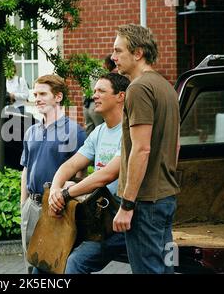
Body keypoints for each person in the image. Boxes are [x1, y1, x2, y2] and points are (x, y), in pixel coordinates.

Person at [111, 24, 180, 274]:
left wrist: (127, 206)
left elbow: (141, 149)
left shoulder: (138, 88)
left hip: (145, 203)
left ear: (138, 53)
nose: (113, 57)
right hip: (165, 198)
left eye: (118, 51)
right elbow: (176, 145)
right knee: (167, 268)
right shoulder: (166, 87)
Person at [49, 73, 130, 274]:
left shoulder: (129, 132)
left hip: (120, 217)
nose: (95, 95)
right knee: (47, 258)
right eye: (94, 91)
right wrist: (55, 188)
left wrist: (67, 193)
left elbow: (106, 175)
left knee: (75, 264)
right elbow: (70, 165)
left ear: (121, 96)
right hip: (97, 216)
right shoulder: (99, 131)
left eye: (101, 91)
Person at [20, 74, 87, 274]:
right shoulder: (31, 131)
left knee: (54, 267)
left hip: (57, 209)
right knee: (31, 266)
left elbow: (81, 176)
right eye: (35, 94)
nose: (37, 98)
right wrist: (23, 204)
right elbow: (26, 169)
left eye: (42, 94)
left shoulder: (75, 131)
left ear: (58, 97)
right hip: (31, 207)